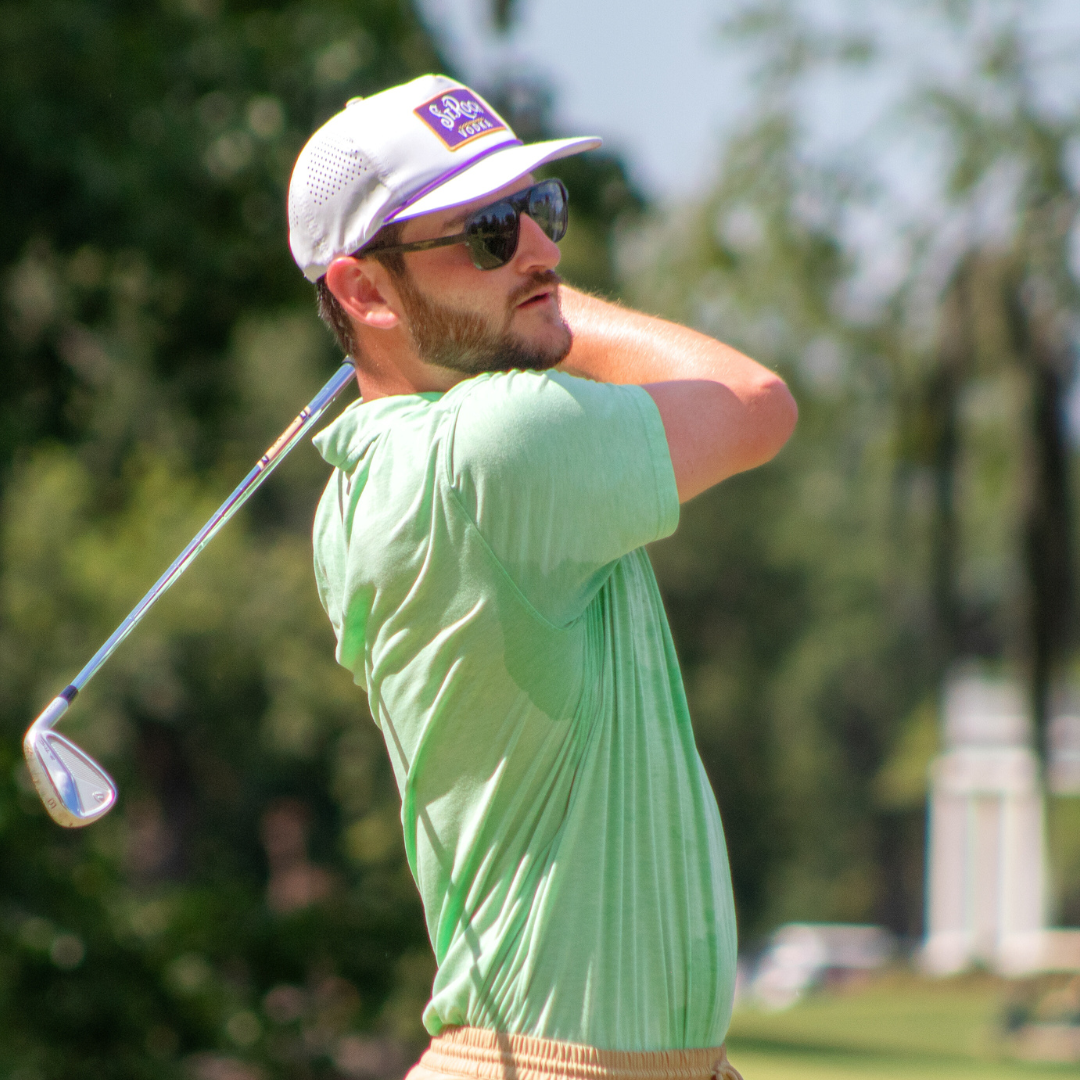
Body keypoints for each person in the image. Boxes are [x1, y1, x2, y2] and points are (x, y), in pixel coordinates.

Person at [287, 75, 796, 1080]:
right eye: (487, 233)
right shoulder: (494, 449)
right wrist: (548, 313)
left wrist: (504, 295)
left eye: (539, 210)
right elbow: (754, 401)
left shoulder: (364, 486)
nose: (543, 250)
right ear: (361, 290)